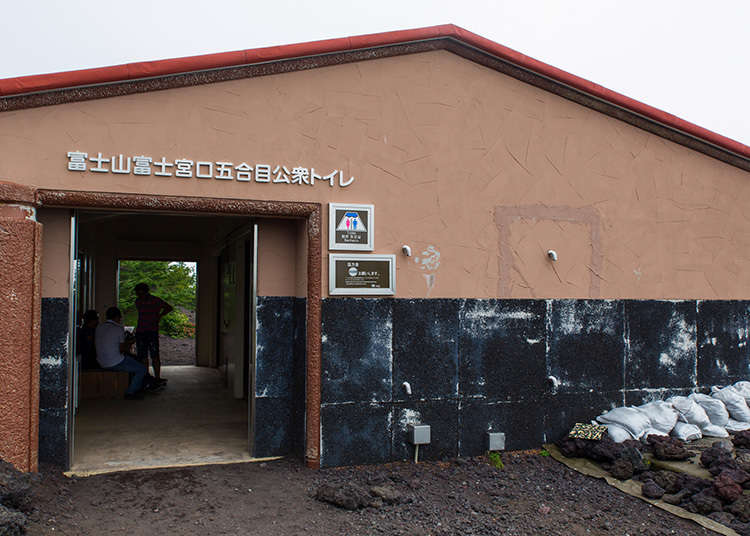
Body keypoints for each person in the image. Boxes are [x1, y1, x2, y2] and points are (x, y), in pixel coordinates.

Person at [95, 306, 147, 400]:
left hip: (101, 360)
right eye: (119, 317)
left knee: (132, 360)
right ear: (117, 317)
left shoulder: (99, 327)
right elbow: (122, 349)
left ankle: (134, 386)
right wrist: (132, 341)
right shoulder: (118, 328)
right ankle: (130, 392)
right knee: (141, 369)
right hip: (114, 362)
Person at [134, 282, 173, 383]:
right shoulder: (138, 301)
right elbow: (168, 308)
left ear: (146, 292)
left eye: (141, 293)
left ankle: (157, 378)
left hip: (151, 331)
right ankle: (145, 377)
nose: (140, 295)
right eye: (138, 293)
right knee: (143, 356)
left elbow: (169, 307)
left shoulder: (155, 301)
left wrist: (160, 316)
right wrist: (159, 315)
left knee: (154, 355)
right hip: (142, 331)